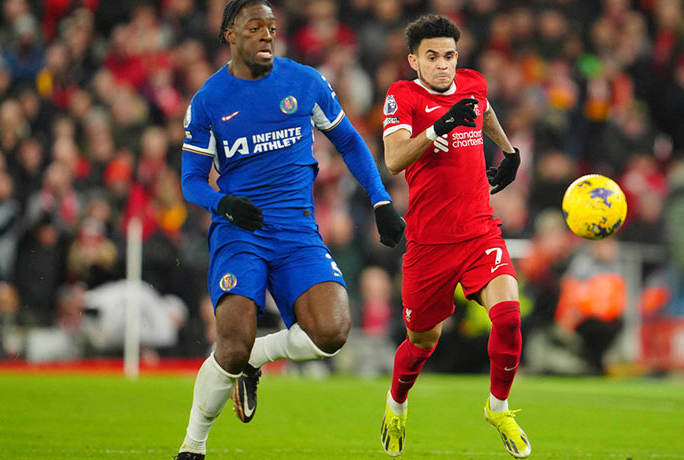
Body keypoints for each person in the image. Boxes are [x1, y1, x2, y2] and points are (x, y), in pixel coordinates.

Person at [175, 2, 405, 459]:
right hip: (240, 232)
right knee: (232, 344)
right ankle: (193, 445)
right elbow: (190, 181)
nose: (266, 35)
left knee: (334, 332)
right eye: (254, 27)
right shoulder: (208, 101)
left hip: (297, 232)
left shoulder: (304, 81)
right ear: (229, 34)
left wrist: (380, 200)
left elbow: (350, 141)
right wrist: (224, 203)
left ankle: (256, 360)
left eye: (272, 28)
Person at [379, 14, 529, 458]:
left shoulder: (473, 84)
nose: (442, 65)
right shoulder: (401, 96)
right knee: (423, 343)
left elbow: (484, 110)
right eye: (432, 57)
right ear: (414, 61)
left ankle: (498, 407)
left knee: (508, 316)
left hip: (480, 230)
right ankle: (396, 403)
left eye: (448, 55)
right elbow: (393, 159)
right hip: (428, 244)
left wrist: (508, 150)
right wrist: (439, 127)